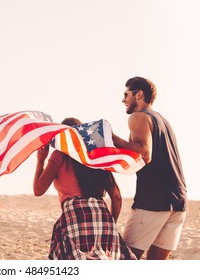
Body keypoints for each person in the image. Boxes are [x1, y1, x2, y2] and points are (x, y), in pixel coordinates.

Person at [33, 117, 136, 260]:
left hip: (76, 214)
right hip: (102, 213)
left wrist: (41, 161)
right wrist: (110, 223)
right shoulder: (95, 155)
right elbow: (116, 196)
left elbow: (38, 190)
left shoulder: (60, 155)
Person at [112, 76, 187, 260]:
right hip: (179, 201)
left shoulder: (139, 116)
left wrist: (110, 137)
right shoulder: (163, 121)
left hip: (154, 200)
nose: (123, 100)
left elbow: (145, 153)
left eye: (126, 94)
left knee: (126, 258)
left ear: (139, 95)